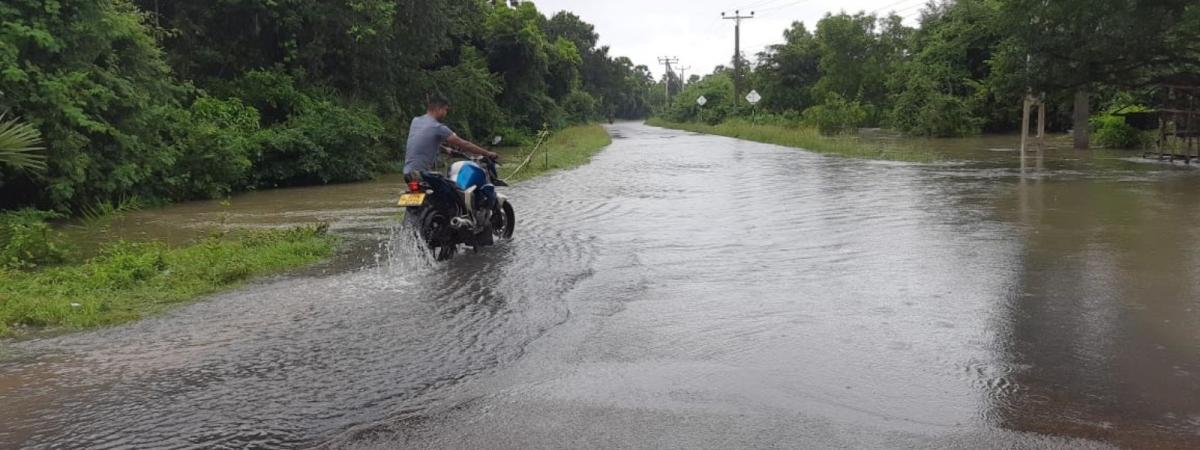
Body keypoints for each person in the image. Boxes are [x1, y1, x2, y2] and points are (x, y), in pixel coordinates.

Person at [403, 95, 499, 181]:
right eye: (445, 109)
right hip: (422, 174)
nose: (446, 113)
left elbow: (424, 141)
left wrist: (445, 149)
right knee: (455, 190)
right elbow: (465, 144)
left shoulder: (416, 121)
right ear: (438, 109)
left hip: (408, 174)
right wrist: (487, 153)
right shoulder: (438, 127)